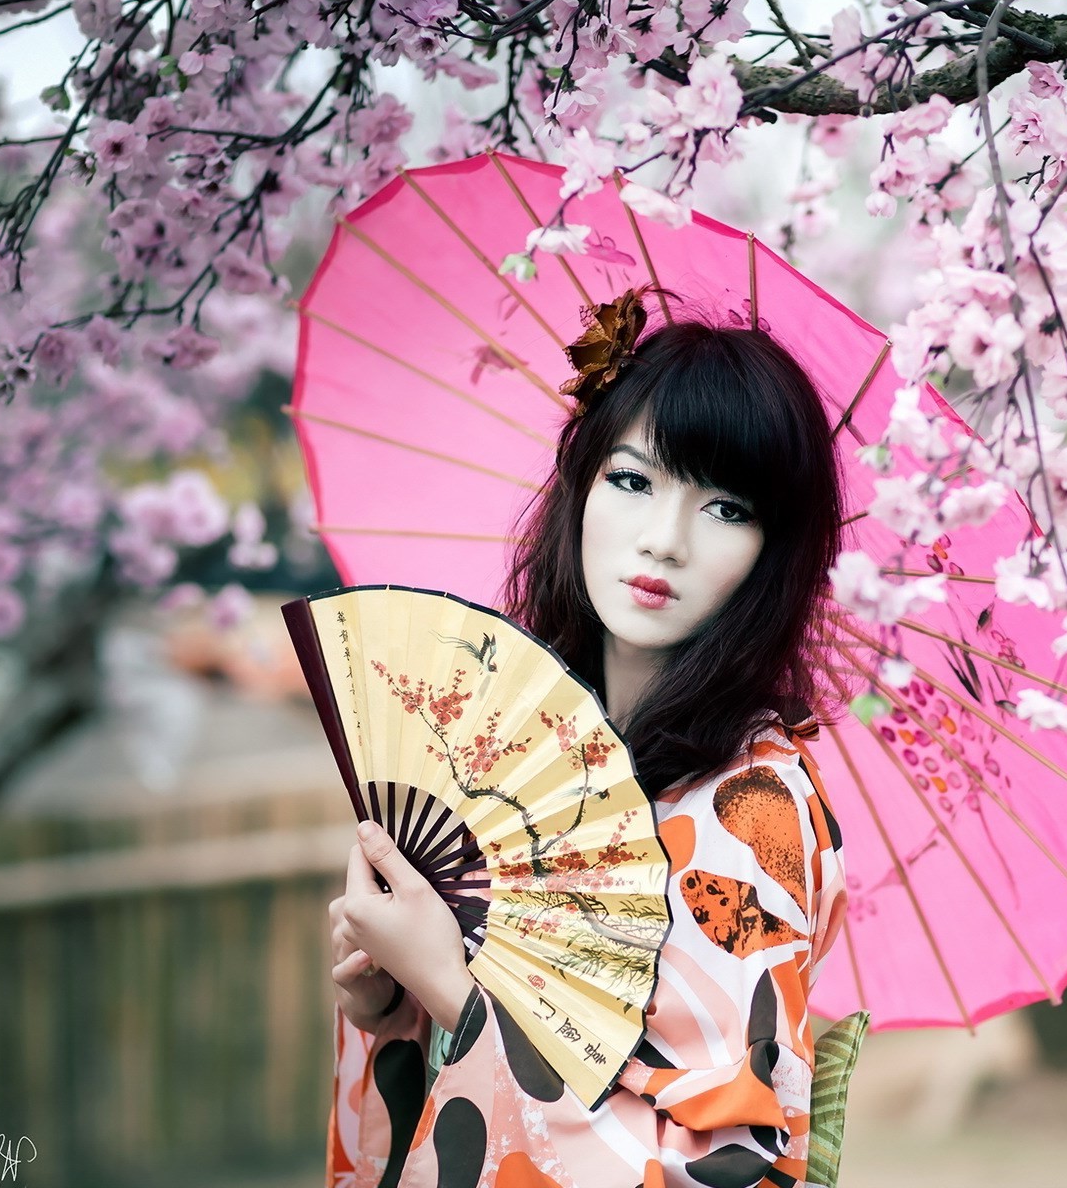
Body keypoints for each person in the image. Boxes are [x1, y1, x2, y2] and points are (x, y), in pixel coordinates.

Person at [323, 289, 849, 1188]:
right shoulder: (519, 755)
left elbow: (724, 1169)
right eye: (633, 480)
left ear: (778, 552)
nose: (664, 540)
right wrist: (398, 1008)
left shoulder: (749, 804)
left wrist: (452, 986)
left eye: (726, 508)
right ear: (580, 485)